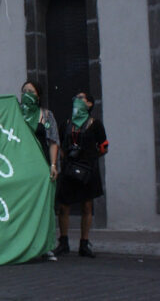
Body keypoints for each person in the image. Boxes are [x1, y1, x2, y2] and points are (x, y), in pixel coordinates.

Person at [54, 92, 108, 259]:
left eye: (81, 97)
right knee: (64, 206)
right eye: (75, 97)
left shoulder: (95, 124)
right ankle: (63, 242)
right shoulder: (67, 124)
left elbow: (104, 147)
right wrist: (66, 159)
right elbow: (59, 144)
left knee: (87, 206)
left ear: (90, 104)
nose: (77, 100)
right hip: (70, 169)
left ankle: (84, 244)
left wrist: (89, 159)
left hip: (88, 170)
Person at [20, 81, 60, 261]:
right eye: (24, 91)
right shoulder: (15, 114)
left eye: (31, 91)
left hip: (42, 165)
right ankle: (24, 246)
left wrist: (53, 164)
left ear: (38, 95)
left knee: (45, 208)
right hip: (22, 167)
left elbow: (53, 141)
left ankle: (46, 245)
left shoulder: (46, 115)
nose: (27, 93)